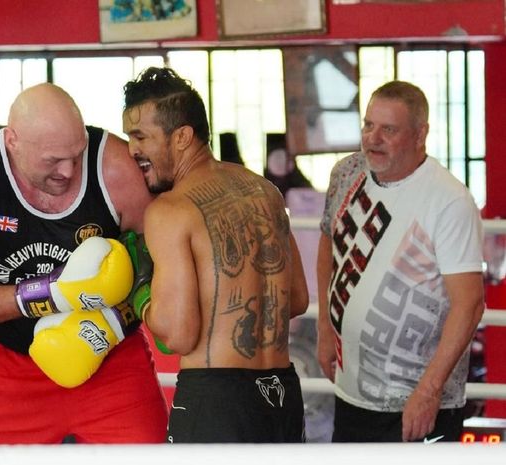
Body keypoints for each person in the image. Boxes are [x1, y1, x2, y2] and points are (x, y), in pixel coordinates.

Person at [0, 82, 168, 444]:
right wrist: (53, 294)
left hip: (110, 358)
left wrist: (115, 319)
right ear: (12, 141)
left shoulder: (113, 167)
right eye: (52, 160)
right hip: (4, 363)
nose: (68, 171)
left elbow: (165, 261)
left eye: (76, 154)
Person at [122, 66, 309, 443]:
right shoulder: (265, 192)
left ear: (182, 137)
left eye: (140, 136)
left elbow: (178, 334)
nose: (132, 150)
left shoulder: (170, 210)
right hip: (282, 394)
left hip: (217, 401)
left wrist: (141, 291)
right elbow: (297, 299)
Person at [315, 80, 485, 443]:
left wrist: (429, 391)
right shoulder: (346, 173)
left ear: (420, 134)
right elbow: (328, 241)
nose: (372, 138)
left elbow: (469, 303)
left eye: (388, 130)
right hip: (352, 392)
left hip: (418, 403)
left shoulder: (449, 200)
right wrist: (325, 328)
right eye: (368, 125)